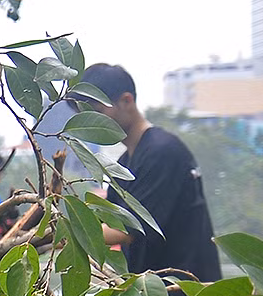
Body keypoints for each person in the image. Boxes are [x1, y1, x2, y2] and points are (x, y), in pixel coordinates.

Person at [76, 62, 221, 283]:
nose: (91, 122)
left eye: (96, 112)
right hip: (151, 295)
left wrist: (69, 234)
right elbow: (108, 223)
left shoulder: (162, 152)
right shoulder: (123, 166)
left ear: (126, 101)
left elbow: (128, 229)